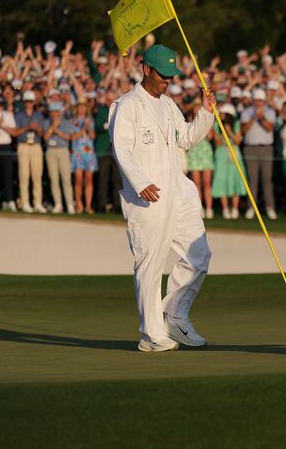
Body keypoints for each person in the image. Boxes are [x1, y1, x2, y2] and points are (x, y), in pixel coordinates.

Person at [109, 44, 215, 352]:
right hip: (146, 198)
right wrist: (140, 182)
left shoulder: (168, 105)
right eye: (163, 74)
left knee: (199, 255)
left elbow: (186, 139)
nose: (167, 80)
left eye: (171, 75)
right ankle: (151, 335)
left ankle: (174, 316)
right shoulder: (127, 105)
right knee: (151, 264)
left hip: (178, 193)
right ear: (145, 69)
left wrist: (206, 114)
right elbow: (121, 148)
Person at [240, 88, 277, 219]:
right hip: (250, 148)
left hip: (266, 148)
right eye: (256, 100)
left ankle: (270, 207)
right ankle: (251, 207)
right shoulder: (246, 112)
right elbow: (244, 129)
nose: (258, 103)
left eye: (260, 101)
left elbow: (269, 128)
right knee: (252, 179)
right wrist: (254, 118)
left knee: (267, 179)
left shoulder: (270, 112)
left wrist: (261, 118)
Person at [211, 103, 247, 219]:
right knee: (222, 179)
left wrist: (229, 131)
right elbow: (217, 142)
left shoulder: (236, 125)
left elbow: (237, 140)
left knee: (235, 179)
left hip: (234, 154)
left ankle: (235, 209)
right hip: (222, 154)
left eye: (223, 114)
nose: (221, 115)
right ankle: (225, 209)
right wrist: (223, 134)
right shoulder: (217, 124)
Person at [14, 90, 46, 213]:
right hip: (23, 145)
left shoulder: (39, 116)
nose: (28, 103)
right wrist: (27, 127)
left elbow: (42, 134)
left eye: (31, 101)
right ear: (24, 102)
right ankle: (25, 202)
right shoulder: (19, 116)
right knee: (24, 176)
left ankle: (37, 202)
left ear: (34, 103)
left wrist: (36, 128)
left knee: (37, 176)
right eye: (27, 101)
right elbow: (16, 133)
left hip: (36, 146)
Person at [186, 97, 216, 219]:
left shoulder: (207, 122)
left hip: (205, 153)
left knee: (207, 183)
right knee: (196, 184)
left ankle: (209, 208)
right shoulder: (189, 122)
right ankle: (200, 208)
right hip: (194, 153)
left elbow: (210, 137)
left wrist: (206, 122)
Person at [44, 101, 75, 214]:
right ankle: (58, 204)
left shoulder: (66, 122)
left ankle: (70, 204)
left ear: (60, 113)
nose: (55, 114)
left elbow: (68, 137)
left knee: (66, 179)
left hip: (63, 151)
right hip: (51, 151)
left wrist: (56, 130)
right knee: (54, 179)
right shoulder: (47, 122)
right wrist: (53, 126)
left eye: (57, 112)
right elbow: (46, 137)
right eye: (53, 112)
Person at [70, 98, 98, 214]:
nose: (82, 108)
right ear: (77, 108)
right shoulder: (73, 121)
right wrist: (82, 128)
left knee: (89, 179)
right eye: (80, 106)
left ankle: (88, 205)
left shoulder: (90, 121)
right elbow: (73, 137)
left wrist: (88, 128)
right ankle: (78, 204)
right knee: (78, 179)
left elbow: (92, 137)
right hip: (77, 153)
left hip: (89, 152)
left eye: (84, 106)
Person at [95, 91, 121, 213]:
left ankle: (117, 205)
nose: (109, 102)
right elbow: (98, 125)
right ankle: (101, 204)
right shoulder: (101, 111)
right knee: (103, 178)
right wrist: (107, 125)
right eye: (108, 100)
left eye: (111, 99)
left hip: (116, 149)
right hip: (104, 149)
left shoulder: (119, 110)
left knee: (117, 178)